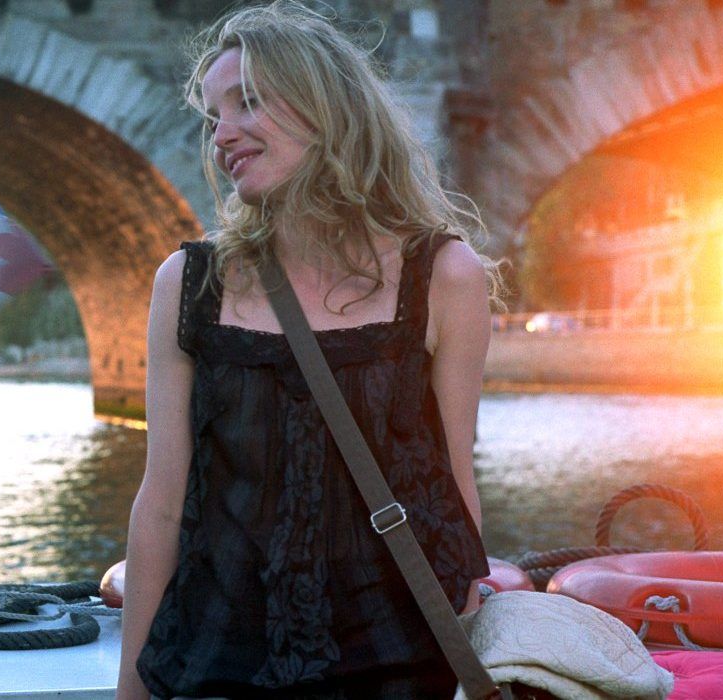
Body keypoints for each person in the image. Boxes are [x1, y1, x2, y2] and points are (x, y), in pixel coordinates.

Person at [118, 3, 500, 698]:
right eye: (212, 116)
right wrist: (130, 689)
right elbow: (162, 506)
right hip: (216, 661)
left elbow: (454, 485)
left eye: (249, 103)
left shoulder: (445, 276)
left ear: (326, 109)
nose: (222, 134)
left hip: (399, 662)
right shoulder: (189, 283)